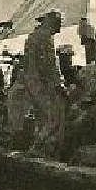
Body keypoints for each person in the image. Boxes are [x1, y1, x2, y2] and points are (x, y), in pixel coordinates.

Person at [23, 9, 68, 156]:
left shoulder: (32, 36)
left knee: (40, 118)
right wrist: (58, 86)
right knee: (53, 117)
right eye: (58, 24)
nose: (60, 28)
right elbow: (48, 65)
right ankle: (37, 149)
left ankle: (40, 149)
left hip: (31, 82)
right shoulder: (44, 38)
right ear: (52, 22)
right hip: (41, 84)